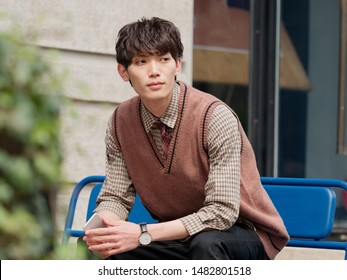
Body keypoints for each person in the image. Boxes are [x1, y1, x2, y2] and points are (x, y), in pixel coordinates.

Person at [81, 16, 289, 260]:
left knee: (207, 244)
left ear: (177, 65)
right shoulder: (120, 122)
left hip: (243, 233)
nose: (154, 71)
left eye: (164, 59)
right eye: (141, 62)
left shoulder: (214, 116)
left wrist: (143, 232)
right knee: (98, 251)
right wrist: (105, 228)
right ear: (123, 71)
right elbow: (116, 195)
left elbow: (221, 212)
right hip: (177, 237)